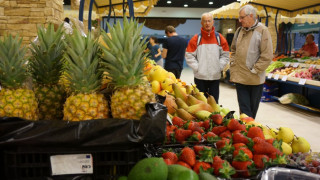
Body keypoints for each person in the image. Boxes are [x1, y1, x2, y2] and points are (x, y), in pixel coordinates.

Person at [229, 5, 273, 119]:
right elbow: (233, 49)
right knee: (244, 110)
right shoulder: (239, 31)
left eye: (242, 17)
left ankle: (250, 130)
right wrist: (233, 63)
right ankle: (245, 130)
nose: (240, 20)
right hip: (240, 78)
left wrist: (255, 70)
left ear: (251, 16)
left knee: (252, 111)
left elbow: (267, 55)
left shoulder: (263, 30)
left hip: (255, 79)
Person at [185, 12, 229, 103]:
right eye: (205, 21)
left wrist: (219, 67)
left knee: (214, 102)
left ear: (213, 22)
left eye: (209, 21)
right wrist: (198, 68)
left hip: (215, 77)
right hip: (200, 78)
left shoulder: (219, 38)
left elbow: (225, 55)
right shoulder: (196, 39)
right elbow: (189, 56)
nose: (207, 23)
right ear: (201, 23)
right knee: (200, 102)